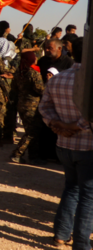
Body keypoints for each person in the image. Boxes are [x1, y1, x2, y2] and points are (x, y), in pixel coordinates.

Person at [39, 39, 90, 247]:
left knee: (71, 188)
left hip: (64, 145)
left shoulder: (58, 79)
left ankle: (61, 234)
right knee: (88, 195)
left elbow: (44, 107)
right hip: (87, 147)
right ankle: (81, 243)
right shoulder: (88, 81)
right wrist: (76, 126)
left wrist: (57, 124)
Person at [9, 51, 44, 164]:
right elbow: (40, 89)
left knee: (31, 131)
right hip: (32, 107)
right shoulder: (34, 73)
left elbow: (14, 87)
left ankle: (34, 157)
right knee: (32, 133)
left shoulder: (19, 72)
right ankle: (17, 153)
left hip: (21, 105)